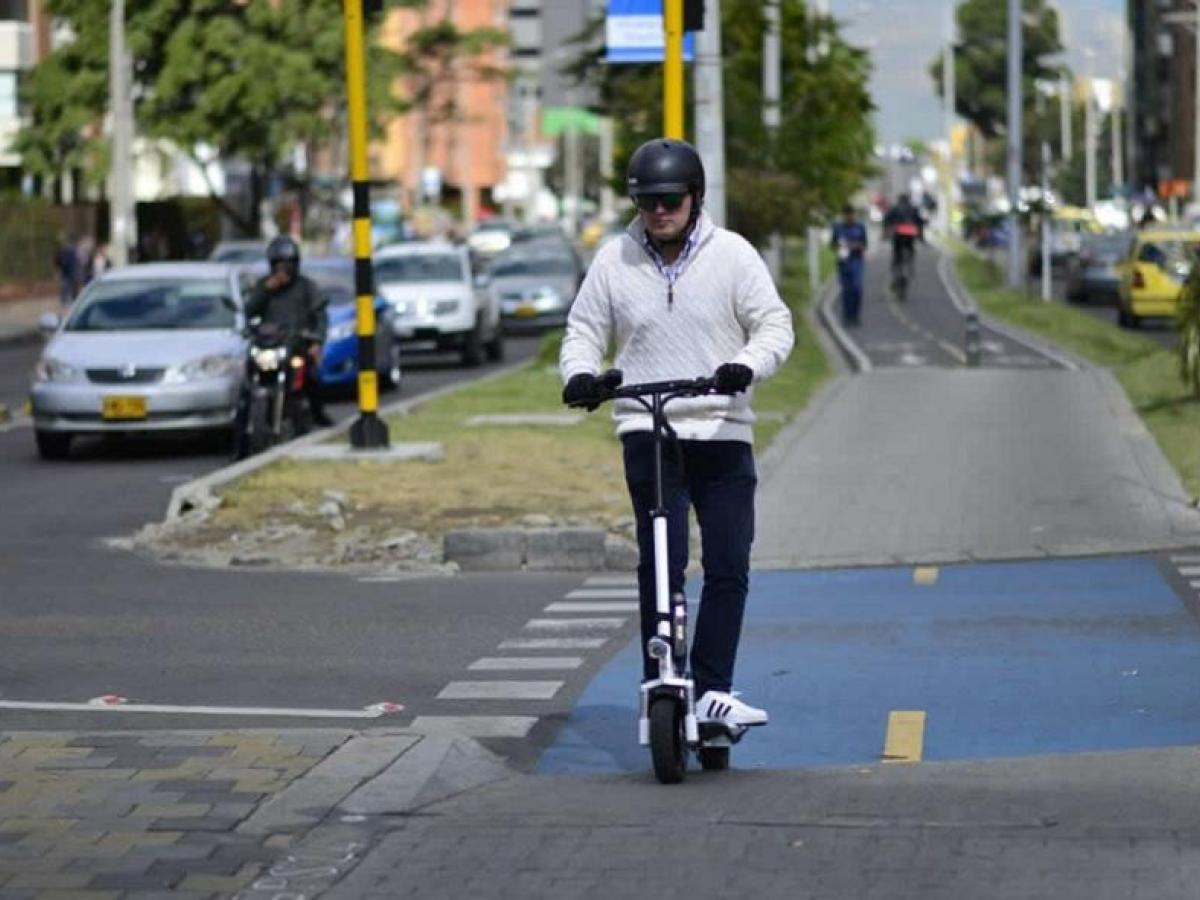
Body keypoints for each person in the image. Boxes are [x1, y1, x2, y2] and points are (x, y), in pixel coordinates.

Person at [559, 138, 795, 729]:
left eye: (670, 200)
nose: (659, 212)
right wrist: (581, 376)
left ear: (695, 196)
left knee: (727, 561)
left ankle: (715, 688)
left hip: (721, 428)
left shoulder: (734, 255)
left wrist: (747, 365)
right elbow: (583, 330)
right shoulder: (615, 261)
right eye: (647, 202)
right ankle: (660, 675)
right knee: (659, 562)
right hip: (649, 426)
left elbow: (774, 324)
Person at [243, 236, 332, 427]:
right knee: (248, 379)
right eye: (280, 264)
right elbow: (250, 311)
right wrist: (265, 290)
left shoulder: (307, 287)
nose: (284, 270)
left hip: (297, 345)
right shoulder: (264, 285)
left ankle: (317, 414)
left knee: (312, 378)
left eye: (288, 264)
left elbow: (320, 315)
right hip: (270, 345)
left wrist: (317, 341)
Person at [830, 204, 868, 327]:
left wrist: (854, 246)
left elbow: (864, 245)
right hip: (843, 262)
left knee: (856, 288)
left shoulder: (860, 227)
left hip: (856, 260)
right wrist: (840, 247)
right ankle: (847, 316)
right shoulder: (838, 228)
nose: (850, 217)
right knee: (846, 290)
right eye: (847, 215)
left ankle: (855, 315)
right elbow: (833, 245)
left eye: (851, 214)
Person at [883, 193, 924, 286]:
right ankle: (910, 264)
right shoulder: (913, 209)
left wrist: (886, 233)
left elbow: (887, 220)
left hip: (898, 233)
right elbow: (919, 222)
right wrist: (921, 236)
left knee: (896, 253)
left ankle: (895, 273)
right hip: (910, 233)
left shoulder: (894, 208)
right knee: (910, 249)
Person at [53, 233, 80, 306]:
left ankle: (70, 300)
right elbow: (57, 261)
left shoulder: (72, 250)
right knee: (66, 286)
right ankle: (66, 300)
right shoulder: (62, 251)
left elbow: (57, 261)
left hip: (69, 271)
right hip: (66, 272)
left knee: (69, 286)